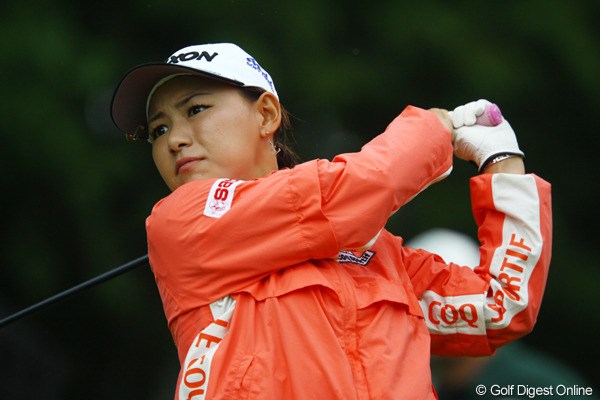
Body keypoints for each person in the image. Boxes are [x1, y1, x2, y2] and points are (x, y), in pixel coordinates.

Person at [110, 43, 552, 399]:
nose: (175, 140)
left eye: (195, 110)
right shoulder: (180, 220)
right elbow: (355, 191)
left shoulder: (376, 252)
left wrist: (503, 164)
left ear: (265, 114)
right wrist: (435, 128)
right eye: (158, 130)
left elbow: (501, 306)